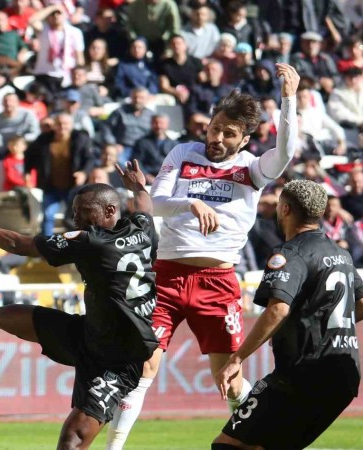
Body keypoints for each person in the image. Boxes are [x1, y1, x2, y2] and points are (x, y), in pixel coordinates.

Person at [106, 63, 300, 450]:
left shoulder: (251, 169)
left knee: (228, 380)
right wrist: (190, 203)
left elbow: (285, 153)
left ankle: (266, 437)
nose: (217, 138)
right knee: (141, 368)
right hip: (166, 277)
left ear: (244, 140)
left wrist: (288, 99)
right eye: (215, 128)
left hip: (217, 282)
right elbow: (156, 202)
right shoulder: (183, 153)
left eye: (229, 133)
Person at [0, 161, 159, 449]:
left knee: (71, 442)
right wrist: (139, 187)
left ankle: (102, 388)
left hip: (118, 359)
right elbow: (144, 208)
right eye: (74, 211)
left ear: (109, 210)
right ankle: (80, 358)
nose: (75, 218)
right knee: (3, 315)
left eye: (83, 211)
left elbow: (18, 245)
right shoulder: (142, 229)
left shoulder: (91, 242)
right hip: (90, 334)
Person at [212, 179, 362, 450]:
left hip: (302, 375)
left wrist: (236, 359)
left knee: (228, 446)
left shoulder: (289, 254)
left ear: (284, 209)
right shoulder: (341, 254)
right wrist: (318, 324)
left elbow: (278, 309)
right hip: (345, 377)